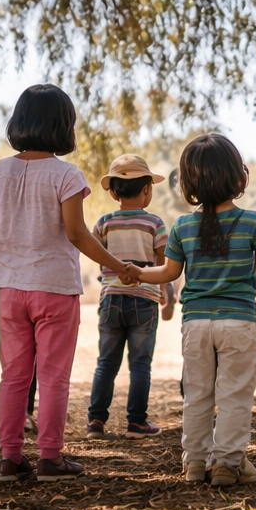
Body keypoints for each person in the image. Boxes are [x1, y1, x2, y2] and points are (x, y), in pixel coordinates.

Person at [136, 134, 256, 487]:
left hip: (195, 325)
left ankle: (195, 462)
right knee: (234, 396)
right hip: (238, 324)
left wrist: (137, 273)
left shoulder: (183, 227)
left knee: (197, 395)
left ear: (188, 184)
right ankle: (227, 463)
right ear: (237, 177)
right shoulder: (252, 222)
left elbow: (167, 273)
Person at [0, 84, 141, 480]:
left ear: (19, 122)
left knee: (14, 376)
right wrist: (120, 266)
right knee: (52, 376)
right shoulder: (66, 174)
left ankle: (10, 457)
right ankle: (50, 456)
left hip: (11, 291)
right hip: (54, 290)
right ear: (64, 126)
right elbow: (78, 234)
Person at [87, 154, 170, 439]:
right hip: (144, 300)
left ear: (112, 192)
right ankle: (136, 422)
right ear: (147, 189)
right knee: (140, 364)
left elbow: (97, 258)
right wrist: (167, 294)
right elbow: (164, 265)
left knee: (106, 363)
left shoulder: (104, 223)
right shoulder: (155, 224)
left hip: (110, 299)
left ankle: (96, 422)